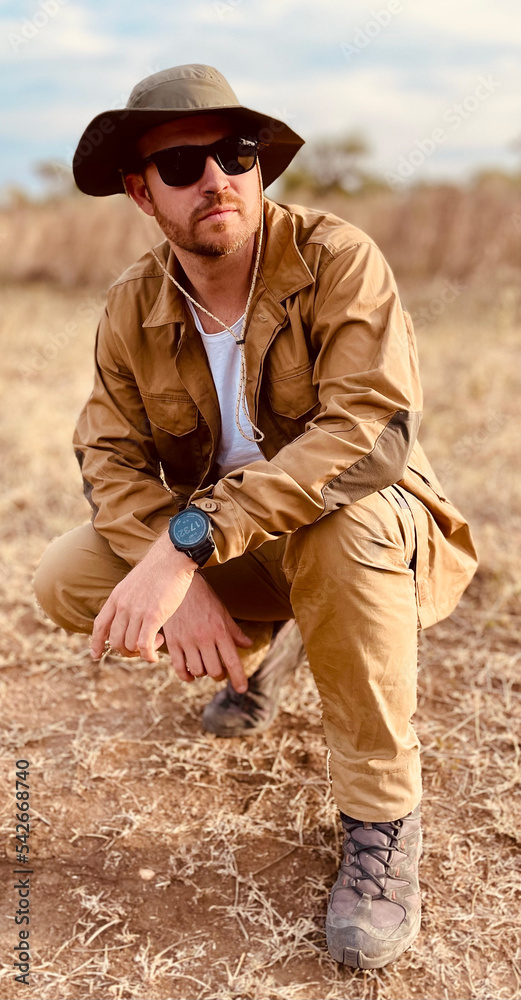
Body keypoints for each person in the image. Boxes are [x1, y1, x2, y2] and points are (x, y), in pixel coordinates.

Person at [34, 64, 478, 970]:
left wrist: (185, 549)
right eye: (183, 163)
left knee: (339, 526)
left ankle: (382, 822)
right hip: (233, 553)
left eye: (235, 154)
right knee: (68, 575)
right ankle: (265, 642)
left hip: (362, 529)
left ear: (259, 167)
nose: (216, 179)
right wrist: (178, 576)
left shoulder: (335, 257)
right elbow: (108, 458)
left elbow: (365, 441)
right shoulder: (131, 305)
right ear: (140, 193)